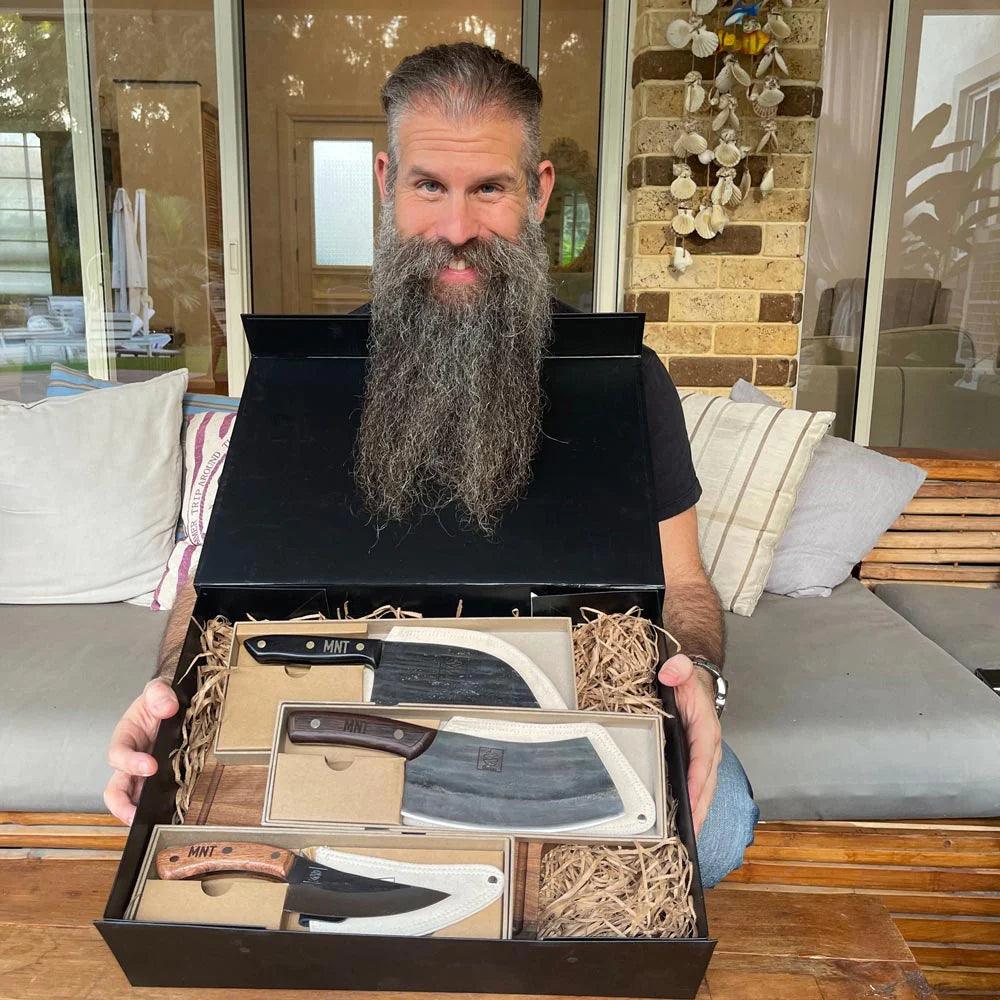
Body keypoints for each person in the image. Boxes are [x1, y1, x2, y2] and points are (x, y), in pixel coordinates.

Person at [105, 42, 758, 887]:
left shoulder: (624, 379)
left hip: (566, 712)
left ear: (539, 191)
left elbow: (686, 585)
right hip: (351, 709)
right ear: (386, 182)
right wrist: (170, 689)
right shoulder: (304, 376)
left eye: (488, 188)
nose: (457, 230)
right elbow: (214, 586)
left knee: (720, 822)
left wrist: (698, 673)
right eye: (429, 186)